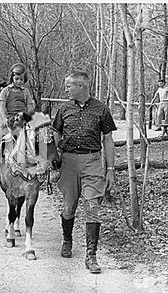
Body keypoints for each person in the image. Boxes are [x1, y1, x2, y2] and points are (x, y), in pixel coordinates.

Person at [52, 71, 117, 274]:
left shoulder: (101, 109)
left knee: (92, 207)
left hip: (92, 161)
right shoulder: (64, 109)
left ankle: (91, 255)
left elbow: (108, 140)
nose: (66, 89)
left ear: (81, 86)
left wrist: (110, 170)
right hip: (69, 162)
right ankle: (67, 240)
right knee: (69, 207)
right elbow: (56, 131)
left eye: (69, 85)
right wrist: (57, 155)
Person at [0, 63, 35, 175]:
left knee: (34, 136)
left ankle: (36, 160)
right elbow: (1, 105)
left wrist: (28, 114)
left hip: (22, 119)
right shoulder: (6, 91)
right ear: (12, 78)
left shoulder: (25, 91)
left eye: (21, 79)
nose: (19, 81)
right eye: (16, 79)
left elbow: (30, 105)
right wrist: (5, 118)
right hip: (9, 119)